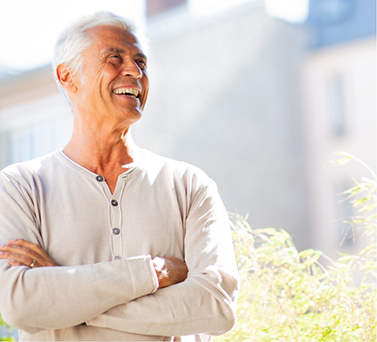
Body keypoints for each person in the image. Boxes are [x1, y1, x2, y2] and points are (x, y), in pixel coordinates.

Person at [0, 11, 239, 342]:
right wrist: (153, 272)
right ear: (68, 77)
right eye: (115, 58)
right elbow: (20, 305)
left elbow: (216, 306)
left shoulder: (189, 186)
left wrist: (68, 296)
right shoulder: (18, 187)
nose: (135, 71)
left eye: (141, 61)